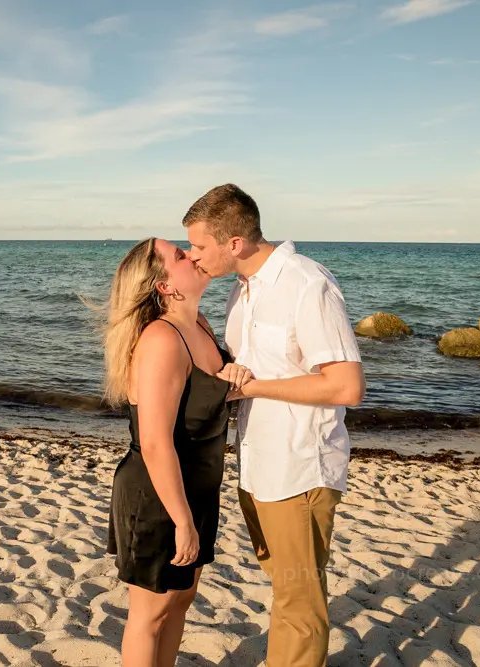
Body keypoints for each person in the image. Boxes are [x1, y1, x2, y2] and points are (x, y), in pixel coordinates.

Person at [183, 184, 365, 667]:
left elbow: (346, 387)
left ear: (234, 243)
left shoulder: (307, 284)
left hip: (300, 465)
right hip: (257, 462)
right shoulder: (241, 292)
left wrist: (254, 388)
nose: (192, 255)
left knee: (299, 600)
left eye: (200, 246)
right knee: (283, 587)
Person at [101, 237, 241, 667]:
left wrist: (231, 380)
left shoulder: (199, 326)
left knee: (180, 602)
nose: (193, 254)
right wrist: (182, 520)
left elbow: (201, 401)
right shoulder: (161, 338)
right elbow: (157, 441)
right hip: (157, 493)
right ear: (164, 285)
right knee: (150, 614)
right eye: (180, 255)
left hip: (197, 486)